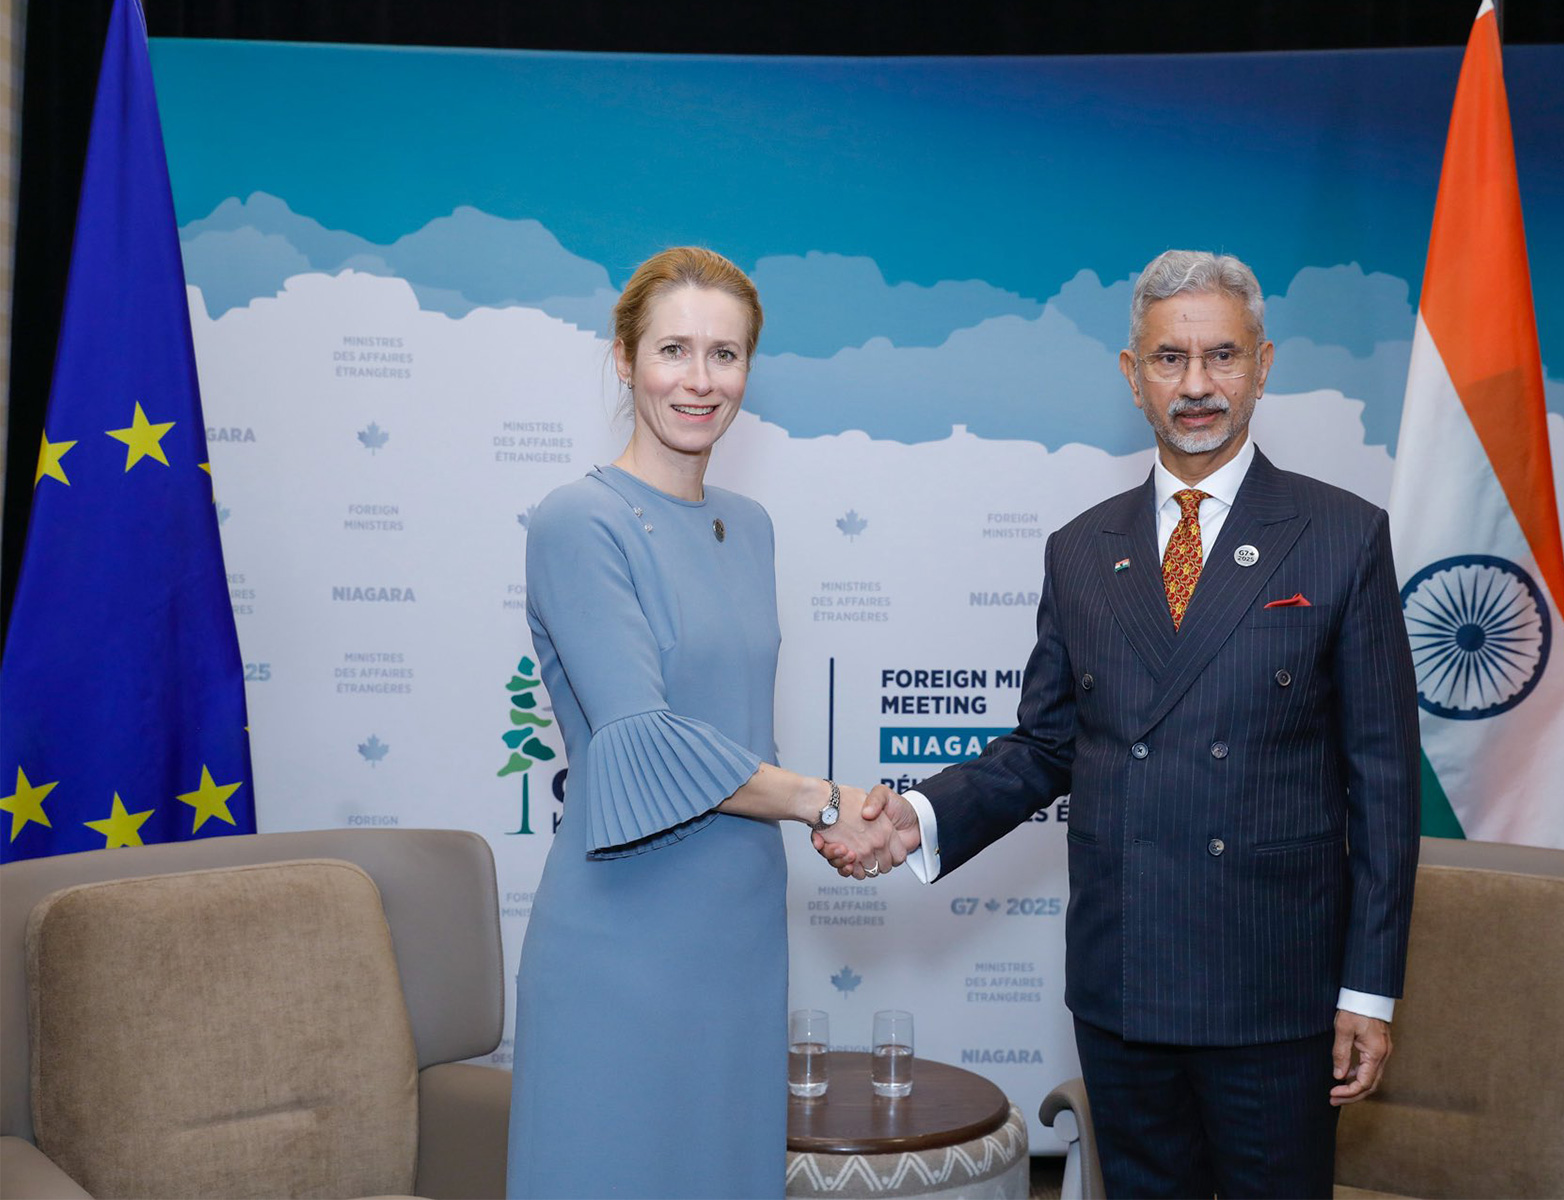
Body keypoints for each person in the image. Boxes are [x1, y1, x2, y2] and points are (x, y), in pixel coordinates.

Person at [820, 250, 1421, 1199]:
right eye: (1169, 360)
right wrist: (920, 816)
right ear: (1131, 376)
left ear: (1263, 367)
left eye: (1221, 358)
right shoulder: (1081, 549)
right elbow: (1048, 745)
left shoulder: (1343, 534)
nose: (1196, 387)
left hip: (1273, 987)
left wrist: (1368, 991)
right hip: (1125, 982)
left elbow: (1384, 786)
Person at [508, 246, 903, 1200]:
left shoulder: (750, 524)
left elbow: (737, 735)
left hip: (740, 932)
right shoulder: (578, 521)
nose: (699, 380)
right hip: (620, 935)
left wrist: (834, 814)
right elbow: (645, 740)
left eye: (724, 355)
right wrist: (824, 802)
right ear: (623, 358)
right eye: (673, 350)